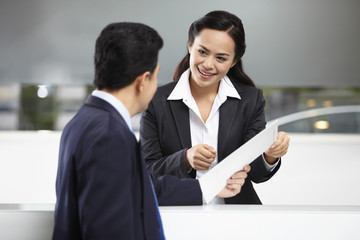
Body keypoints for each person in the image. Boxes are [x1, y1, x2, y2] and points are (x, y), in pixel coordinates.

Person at [52, 22, 250, 240]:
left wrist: (207, 187)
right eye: (155, 76)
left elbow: (141, 186)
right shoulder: (108, 134)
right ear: (142, 81)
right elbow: (107, 229)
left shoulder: (85, 121)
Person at [140, 10, 290, 205]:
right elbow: (145, 172)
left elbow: (257, 174)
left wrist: (269, 155)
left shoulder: (250, 100)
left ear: (233, 61)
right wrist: (185, 159)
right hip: (177, 213)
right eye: (202, 52)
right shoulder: (155, 101)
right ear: (190, 46)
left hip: (235, 216)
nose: (208, 64)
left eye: (221, 58)